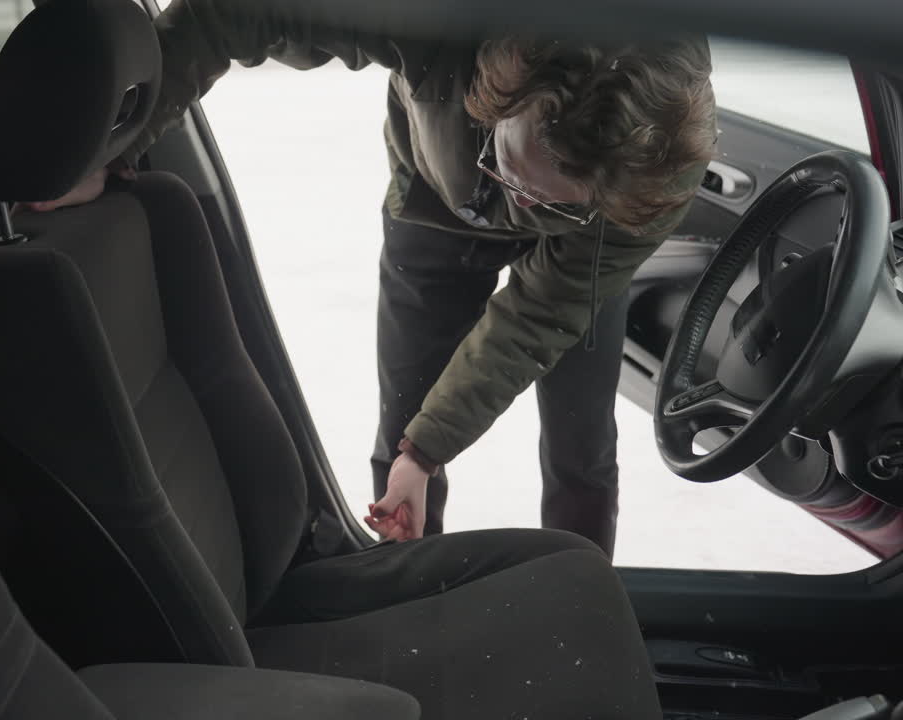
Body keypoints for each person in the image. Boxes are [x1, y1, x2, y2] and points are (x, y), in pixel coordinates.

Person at [43, 0, 718, 556]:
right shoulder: (439, 20)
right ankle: (410, 586)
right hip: (432, 213)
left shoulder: (649, 177)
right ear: (500, 86)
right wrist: (115, 145)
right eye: (503, 161)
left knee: (584, 445)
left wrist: (431, 446)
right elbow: (238, 11)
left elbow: (537, 316)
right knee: (402, 428)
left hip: (582, 256)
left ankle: (582, 594)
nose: (515, 204)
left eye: (549, 200)